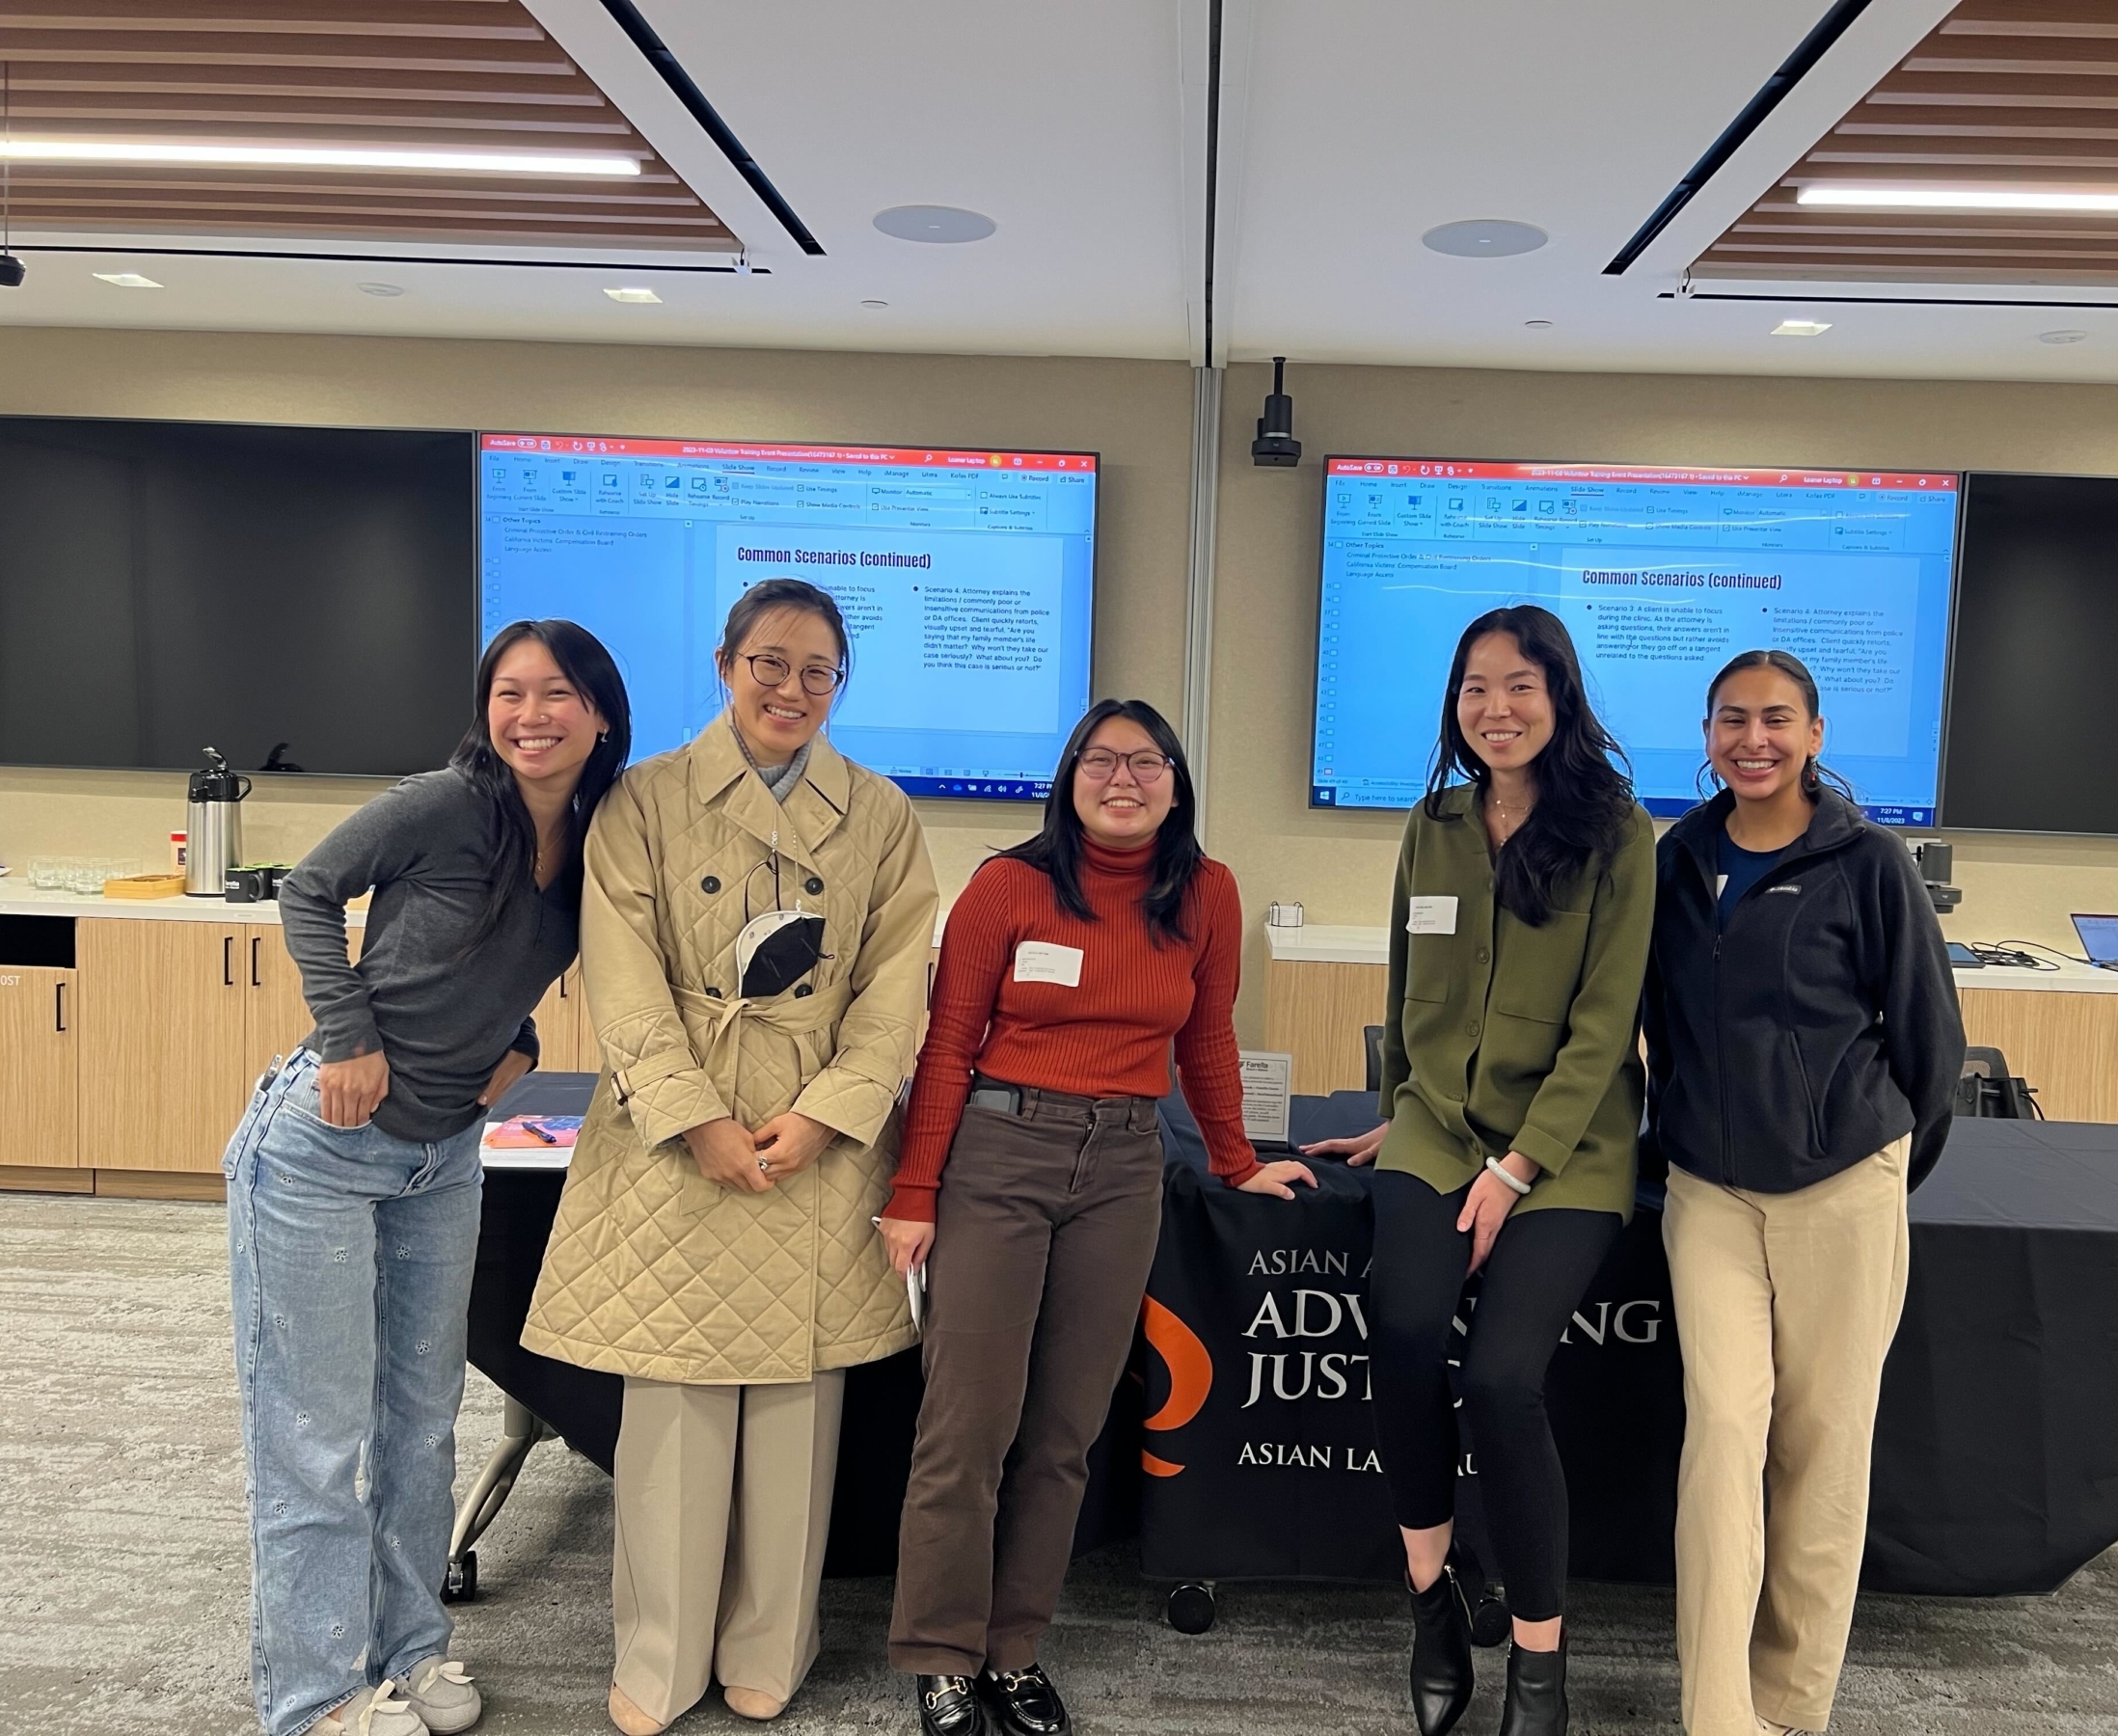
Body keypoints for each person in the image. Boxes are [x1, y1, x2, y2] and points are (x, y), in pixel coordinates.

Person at [523, 578, 937, 1736]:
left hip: (814, 1138)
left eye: (816, 670)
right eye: (769, 662)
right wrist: (693, 1113)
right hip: (675, 1131)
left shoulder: (882, 814)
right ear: (724, 662)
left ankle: (772, 1645)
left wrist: (832, 1112)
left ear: (838, 683)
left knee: (798, 1418)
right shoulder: (646, 800)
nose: (790, 689)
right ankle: (657, 1658)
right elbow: (623, 974)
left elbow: (897, 986)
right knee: (673, 1412)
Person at [225, 620, 631, 1736]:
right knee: (316, 1435)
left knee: (420, 1421)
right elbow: (308, 890)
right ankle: (312, 1699)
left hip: (447, 1156)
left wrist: (528, 1049)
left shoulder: (596, 839)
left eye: (556, 693)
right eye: (508, 692)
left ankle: (413, 1648)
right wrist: (347, 1033)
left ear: (601, 712)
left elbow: (502, 972)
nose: (530, 715)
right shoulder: (444, 804)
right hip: (321, 1147)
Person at [882, 698, 1315, 1736]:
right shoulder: (1008, 887)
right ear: (1069, 779)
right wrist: (913, 1192)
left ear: (1177, 779)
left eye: (1147, 761)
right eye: (1101, 761)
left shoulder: (1205, 893)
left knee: (1066, 1433)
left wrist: (1237, 1161)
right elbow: (946, 1047)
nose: (1124, 779)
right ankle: (940, 1655)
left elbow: (1207, 1035)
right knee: (967, 1428)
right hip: (999, 1153)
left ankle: (1013, 1650)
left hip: (1124, 1165)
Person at [1306, 607, 1654, 1736]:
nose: (1495, 710)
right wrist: (1397, 1114)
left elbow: (1605, 1031)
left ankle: (1540, 1665)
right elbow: (1410, 986)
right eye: (1473, 690)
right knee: (1402, 1331)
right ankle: (1433, 1606)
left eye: (1518, 687)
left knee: (1503, 1381)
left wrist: (1515, 1168)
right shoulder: (1435, 822)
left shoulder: (1617, 834)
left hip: (1568, 1153)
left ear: (1560, 697)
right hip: (1434, 1135)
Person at [1641, 649, 1964, 1736]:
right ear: (1708, 730)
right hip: (1711, 1192)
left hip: (1844, 1188)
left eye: (1777, 719)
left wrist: (1875, 1168)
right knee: (1726, 1430)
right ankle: (1719, 1712)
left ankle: (1790, 1706)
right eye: (1733, 719)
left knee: (1824, 1448)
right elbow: (1651, 1025)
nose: (1754, 740)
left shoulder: (1868, 862)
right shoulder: (1677, 859)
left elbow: (1929, 1043)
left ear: (1816, 735)